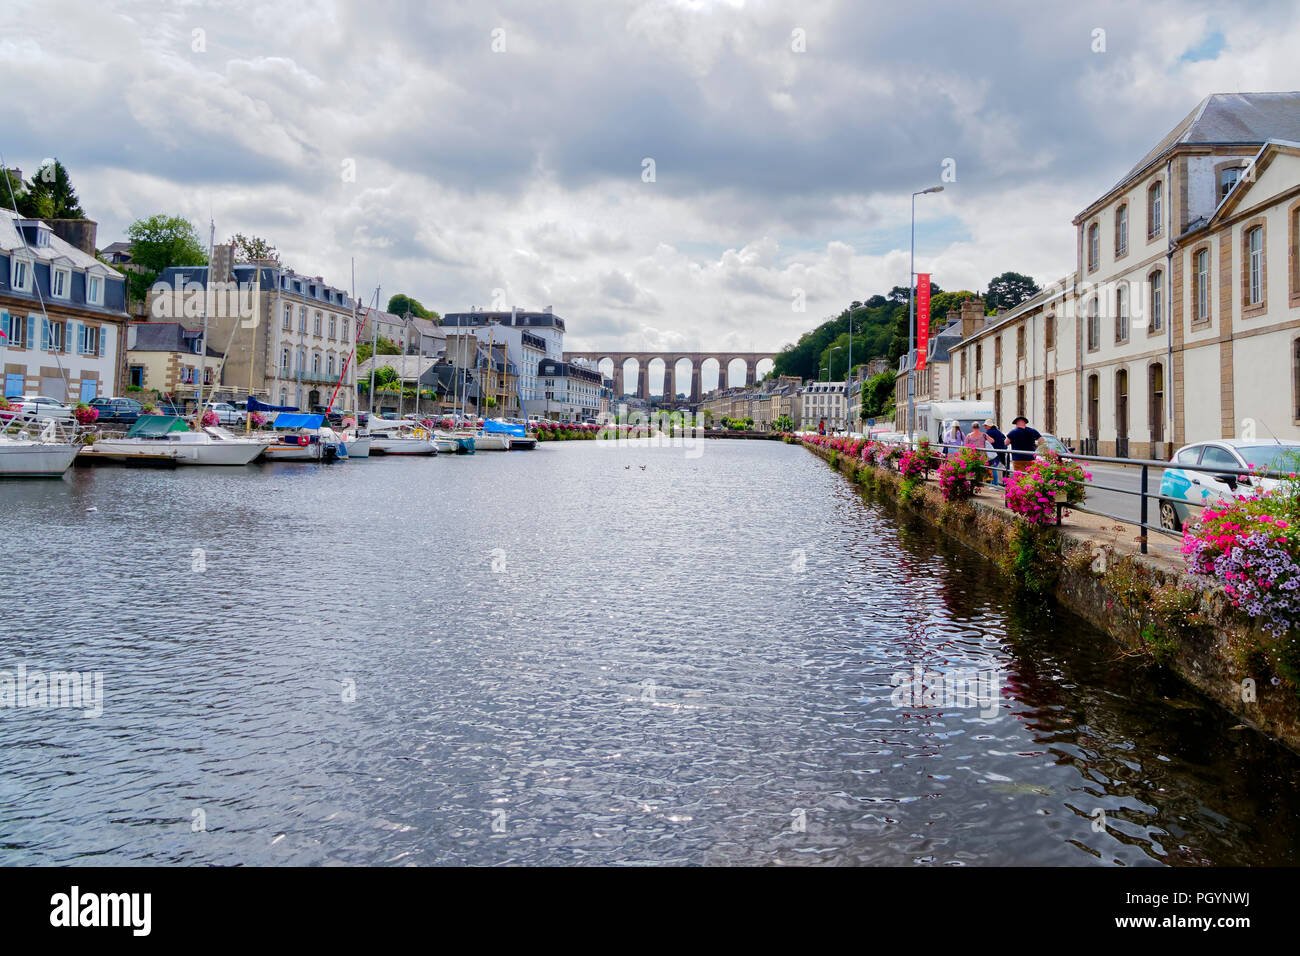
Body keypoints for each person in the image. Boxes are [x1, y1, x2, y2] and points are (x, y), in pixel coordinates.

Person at [984, 418, 1007, 486]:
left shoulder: (988, 433)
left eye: (985, 425)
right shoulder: (998, 432)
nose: (985, 427)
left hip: (993, 453)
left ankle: (994, 484)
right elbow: (1004, 439)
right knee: (996, 468)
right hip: (1000, 453)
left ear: (989, 425)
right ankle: (996, 483)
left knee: (993, 468)